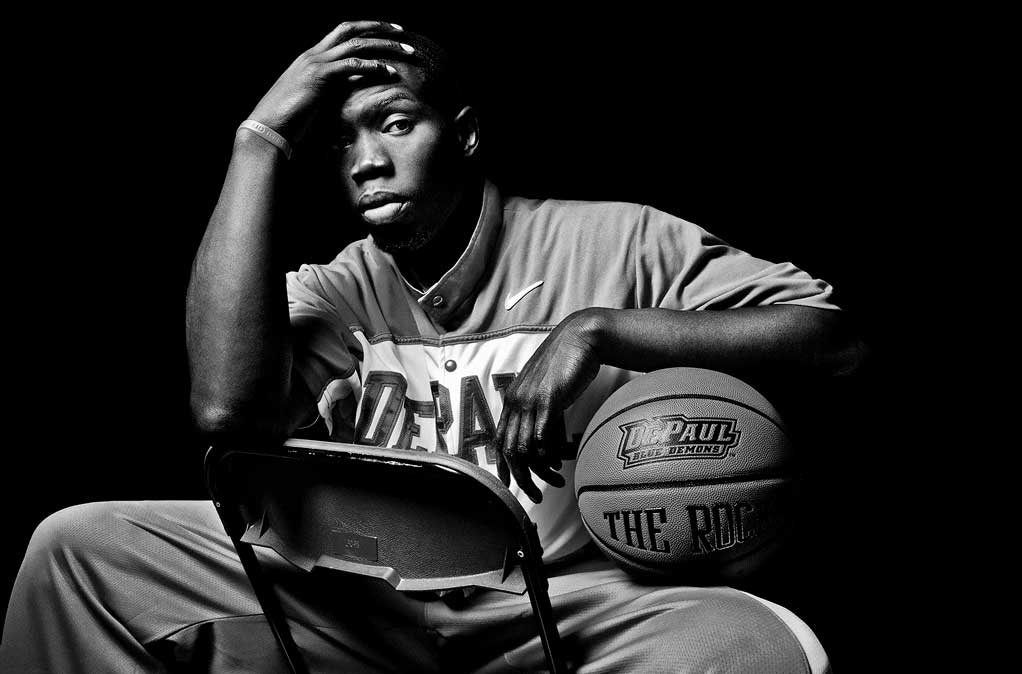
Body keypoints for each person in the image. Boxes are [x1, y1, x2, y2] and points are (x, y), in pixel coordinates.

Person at [1, 21, 861, 673]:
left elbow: (833, 340)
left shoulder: (617, 242)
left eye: (395, 125)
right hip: (364, 601)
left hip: (571, 597)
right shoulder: (336, 287)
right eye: (339, 141)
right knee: (79, 547)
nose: (365, 162)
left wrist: (599, 329)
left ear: (465, 133)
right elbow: (226, 407)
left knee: (756, 646)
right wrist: (258, 141)